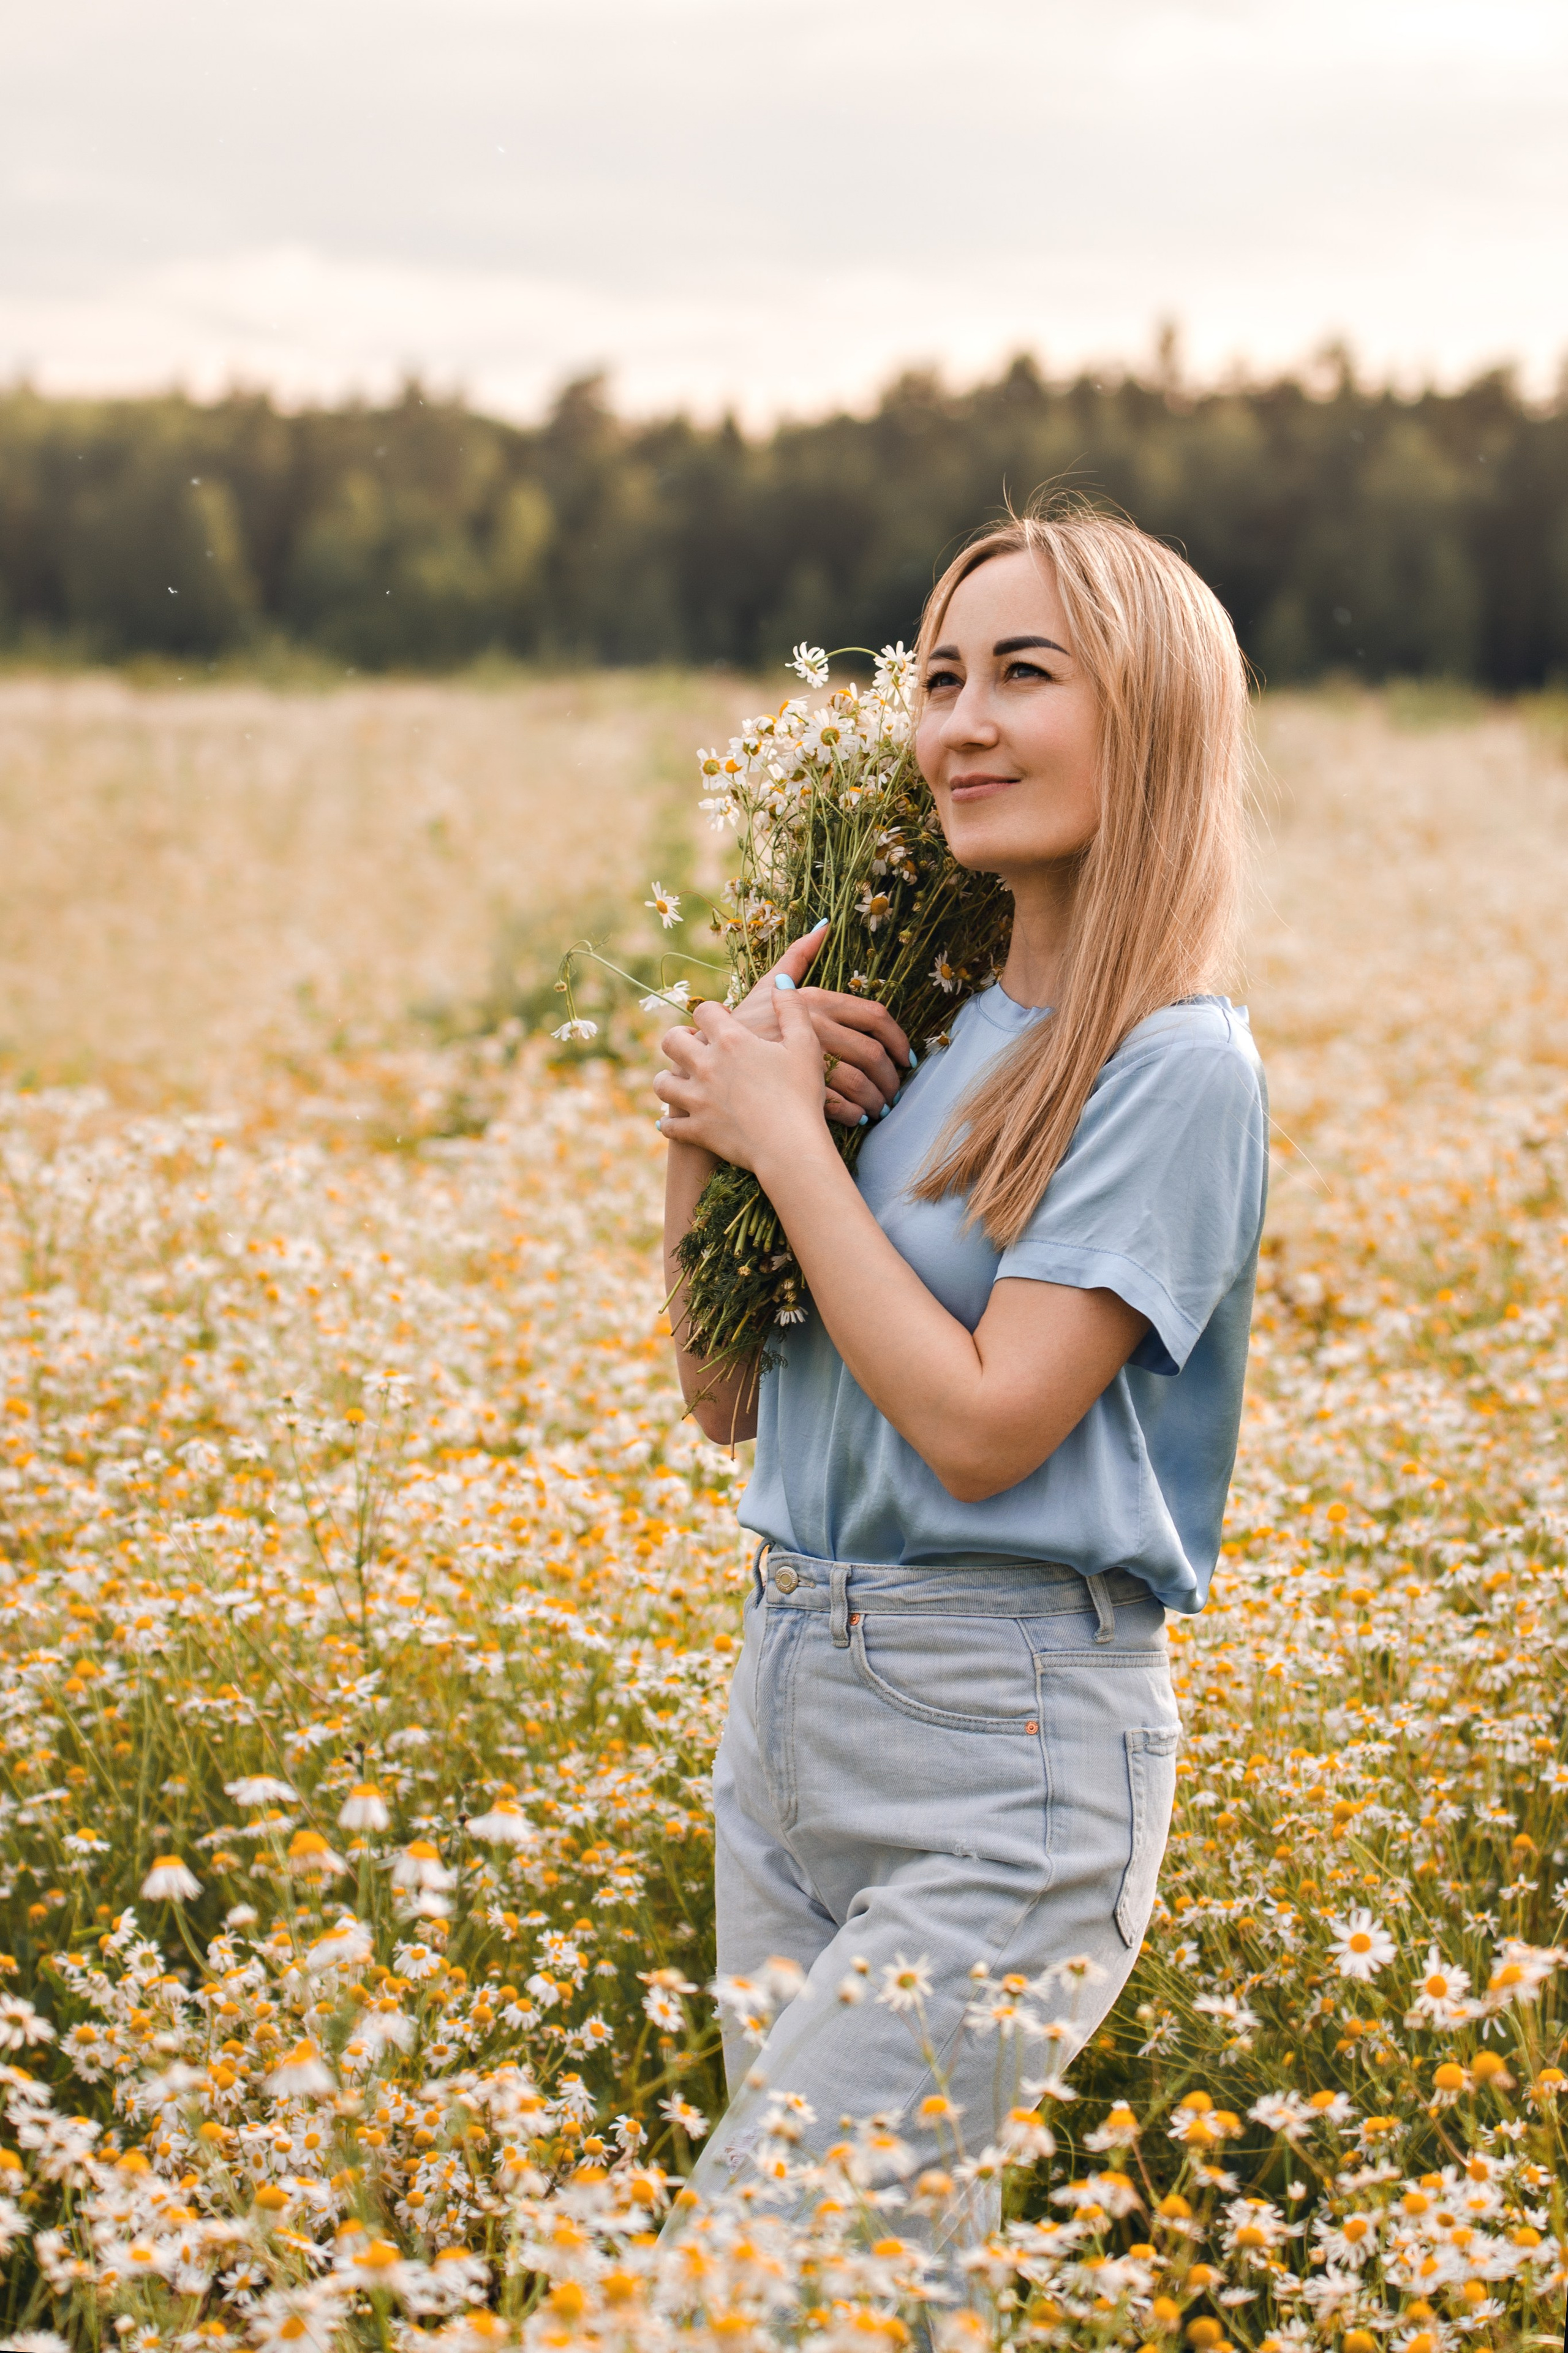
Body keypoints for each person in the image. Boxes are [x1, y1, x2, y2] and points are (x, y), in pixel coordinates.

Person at [652, 507, 1268, 2247]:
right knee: (877, 2296)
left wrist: (792, 1151)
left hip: (1001, 1750)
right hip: (788, 1706)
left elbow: (990, 1424)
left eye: (1022, 674)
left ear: (1149, 716)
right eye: (937, 677)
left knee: (746, 2281)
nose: (958, 725)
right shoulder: (917, 1033)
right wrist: (719, 1126)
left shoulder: (1174, 1063)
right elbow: (725, 1400)